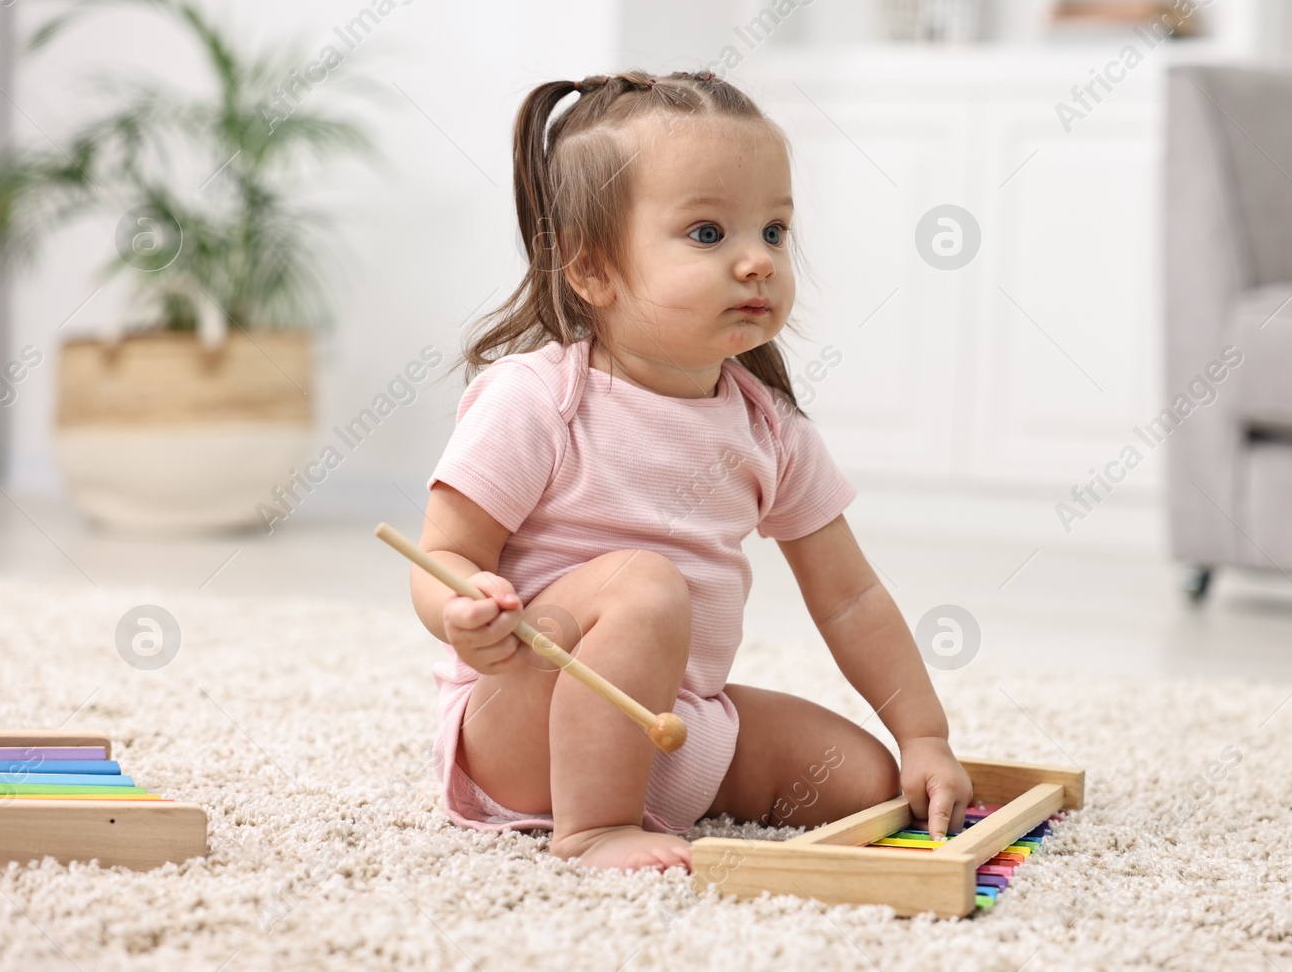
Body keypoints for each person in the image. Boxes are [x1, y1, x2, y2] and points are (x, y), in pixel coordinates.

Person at [408, 69, 971, 871]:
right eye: (709, 235)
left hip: (672, 722)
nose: (757, 263)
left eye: (773, 231)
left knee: (867, 780)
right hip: (522, 726)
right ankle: (592, 828)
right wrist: (461, 607)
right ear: (593, 270)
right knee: (645, 583)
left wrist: (924, 734)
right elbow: (444, 553)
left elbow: (850, 597)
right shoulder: (538, 400)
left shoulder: (767, 427)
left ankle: (649, 795)